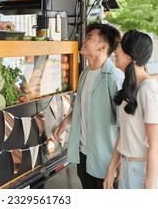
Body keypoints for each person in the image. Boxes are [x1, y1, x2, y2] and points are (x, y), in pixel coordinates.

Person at [53, 22, 124, 189]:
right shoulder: (85, 73)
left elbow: (125, 126)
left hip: (106, 160)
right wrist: (65, 123)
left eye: (89, 38)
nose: (83, 40)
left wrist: (116, 165)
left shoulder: (114, 79)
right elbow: (80, 105)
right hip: (84, 155)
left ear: (102, 47)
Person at [103, 30, 158, 189]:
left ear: (129, 56)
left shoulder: (148, 91)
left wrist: (149, 189)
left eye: (119, 46)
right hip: (128, 168)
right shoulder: (133, 87)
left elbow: (156, 146)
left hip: (144, 172)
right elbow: (125, 132)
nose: (114, 51)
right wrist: (111, 169)